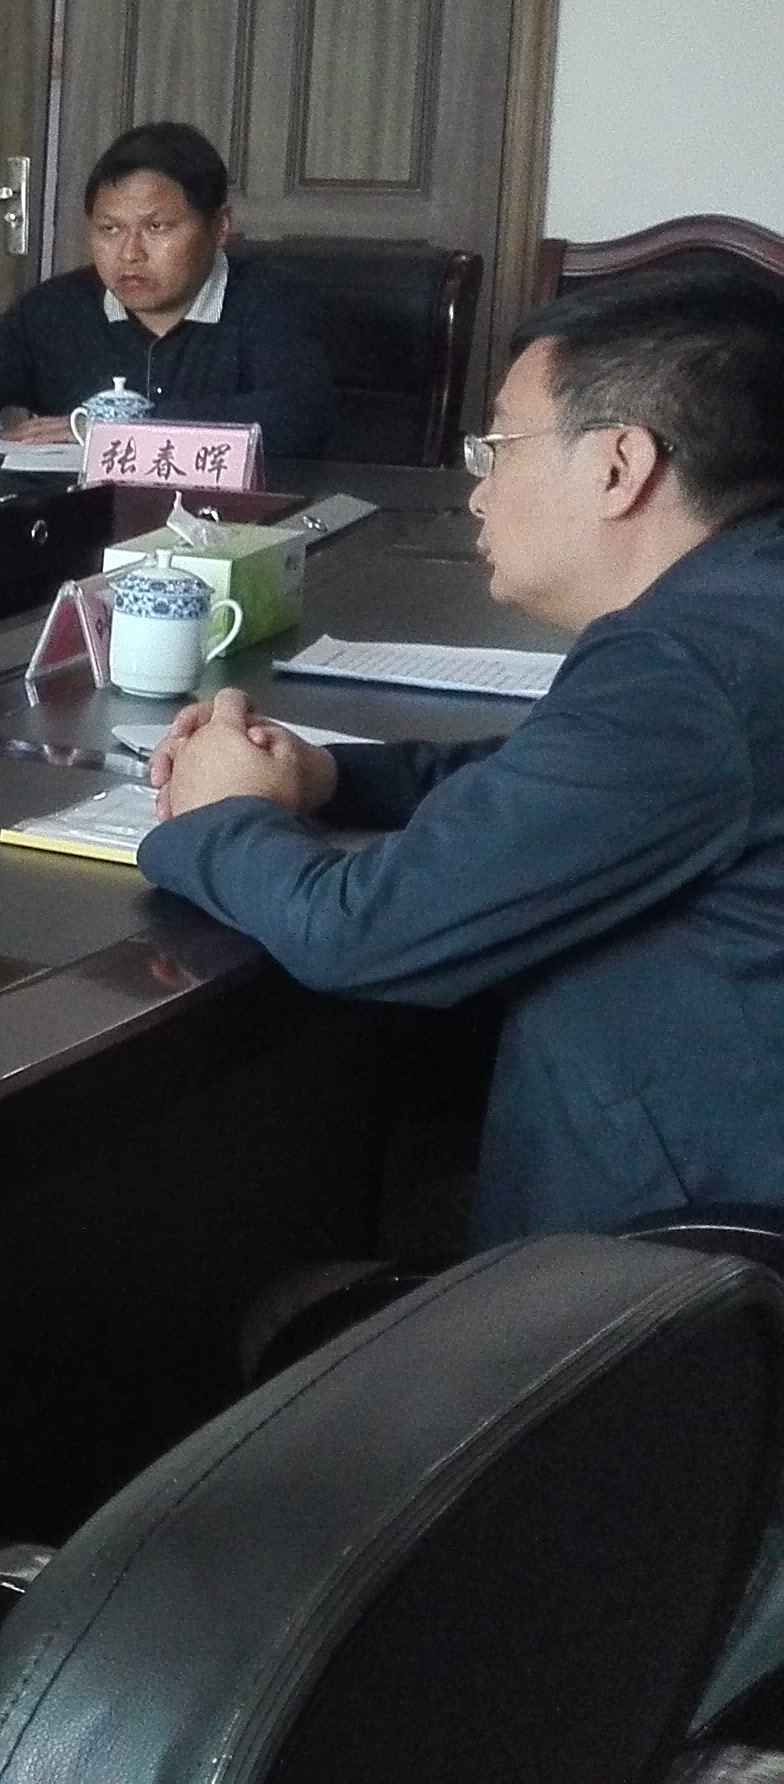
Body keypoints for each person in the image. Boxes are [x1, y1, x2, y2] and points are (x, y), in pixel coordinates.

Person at [141, 271, 784, 1242]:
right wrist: (330, 775)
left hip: (676, 1252)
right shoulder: (742, 603)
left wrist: (221, 812)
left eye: (497, 447)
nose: (476, 492)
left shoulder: (682, 668)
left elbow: (358, 931)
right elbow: (563, 778)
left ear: (618, 465)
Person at [0, 121, 335, 457]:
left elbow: (298, 417)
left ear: (219, 227)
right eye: (109, 229)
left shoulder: (272, 300)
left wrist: (107, 429)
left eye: (157, 228)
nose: (129, 253)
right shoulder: (56, 309)